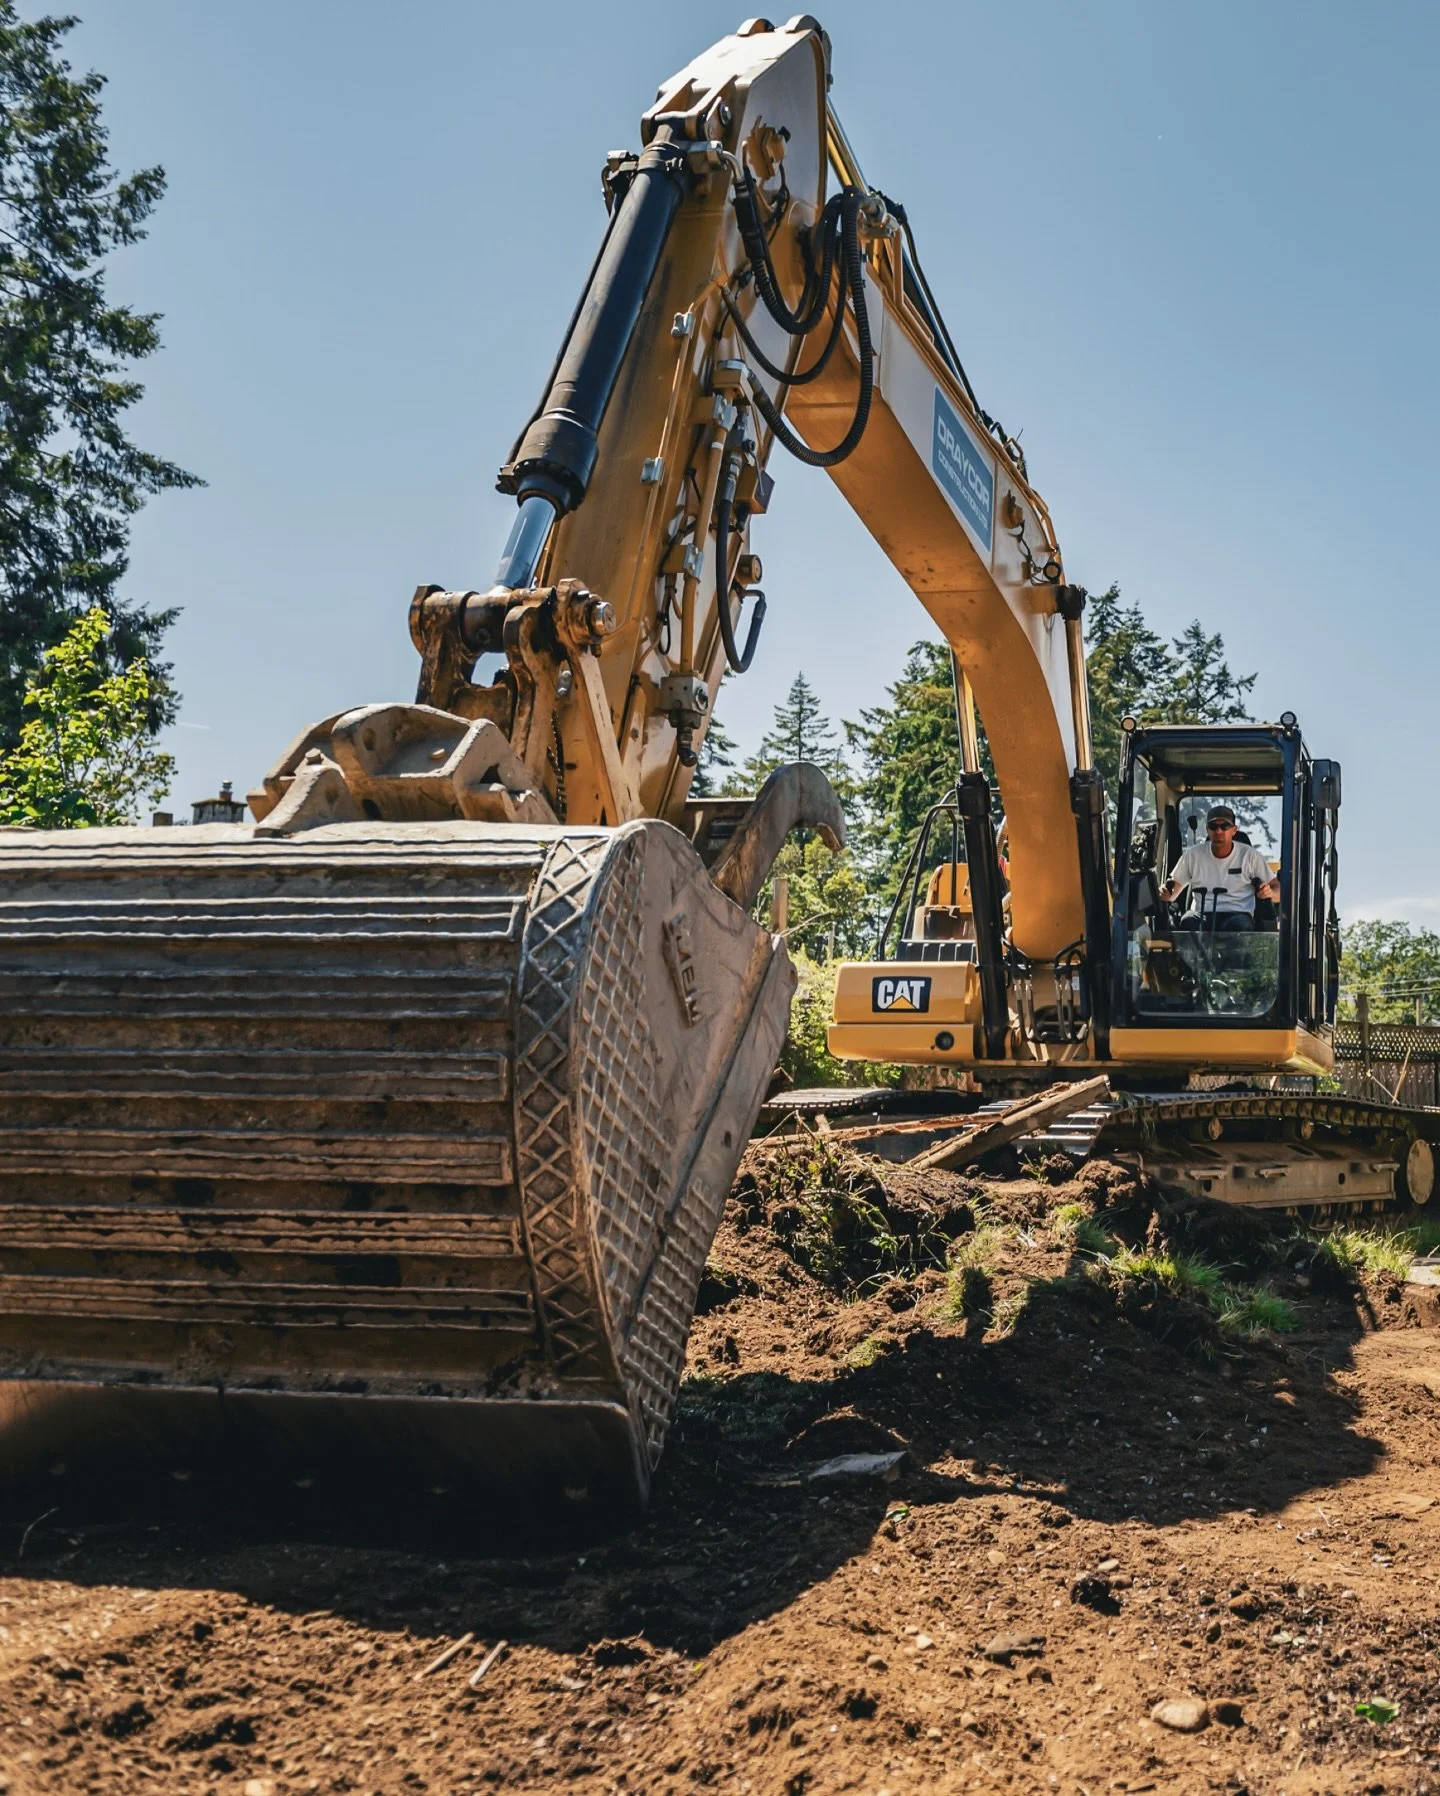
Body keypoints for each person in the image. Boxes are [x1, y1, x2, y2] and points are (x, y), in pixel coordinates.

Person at [1159, 805, 1279, 931]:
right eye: (1213, 827)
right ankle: (1190, 952)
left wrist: (1269, 892)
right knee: (1188, 921)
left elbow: (1278, 889)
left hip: (1238, 914)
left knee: (1238, 926)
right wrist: (1165, 892)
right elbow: (1172, 891)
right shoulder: (1192, 855)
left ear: (1234, 830)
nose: (1218, 831)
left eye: (1224, 826)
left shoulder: (1250, 856)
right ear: (1207, 830)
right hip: (1202, 914)